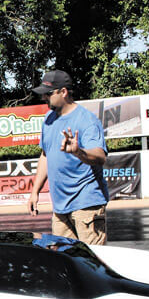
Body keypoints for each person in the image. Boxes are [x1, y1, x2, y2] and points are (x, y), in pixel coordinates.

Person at [26, 70, 109, 245]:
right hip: (60, 207)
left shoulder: (86, 120)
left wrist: (78, 152)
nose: (44, 98)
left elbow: (100, 157)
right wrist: (35, 192)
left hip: (86, 204)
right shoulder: (49, 119)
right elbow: (45, 155)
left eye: (48, 94)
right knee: (65, 262)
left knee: (94, 262)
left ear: (63, 92)